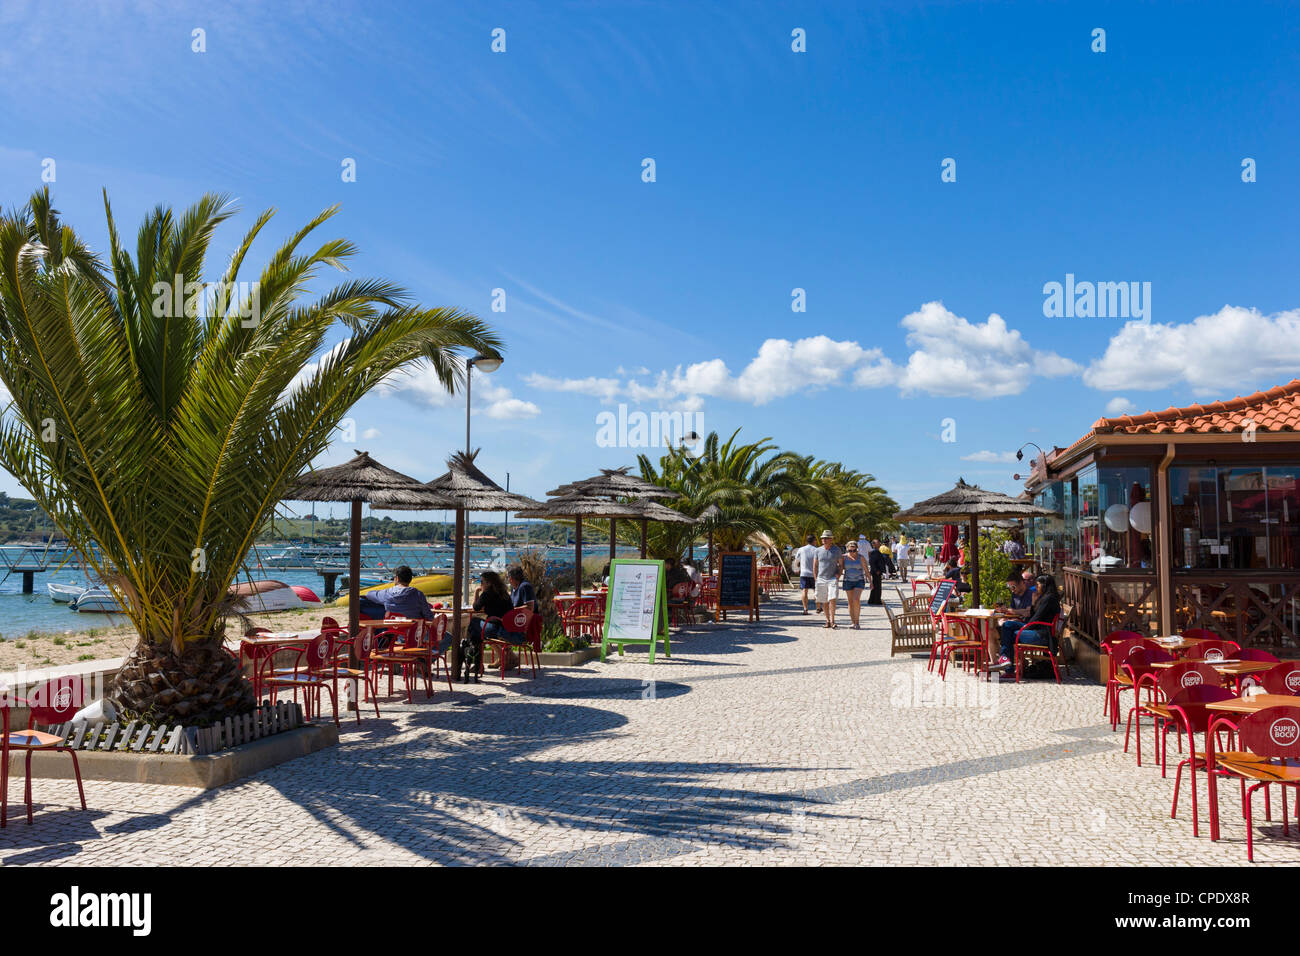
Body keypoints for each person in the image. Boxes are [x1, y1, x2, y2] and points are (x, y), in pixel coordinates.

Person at [989, 573, 1061, 680]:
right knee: (1007, 625)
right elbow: (1035, 615)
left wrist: (1023, 628)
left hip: (1042, 635)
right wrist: (1033, 604)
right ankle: (1005, 660)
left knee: (1009, 634)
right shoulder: (1044, 597)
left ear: (1044, 585)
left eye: (1038, 585)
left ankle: (1007, 667)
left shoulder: (1049, 599)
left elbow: (1036, 619)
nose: (1036, 588)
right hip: (1036, 629)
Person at [464, 570, 514, 682]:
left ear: (489, 583)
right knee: (477, 633)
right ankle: (481, 663)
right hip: (507, 627)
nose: (481, 584)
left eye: (482, 582)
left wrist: (477, 592)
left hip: (495, 628)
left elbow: (476, 607)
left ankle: (477, 663)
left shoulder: (487, 593)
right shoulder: (504, 593)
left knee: (473, 624)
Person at [366, 565, 434, 647]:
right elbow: (429, 616)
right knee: (447, 637)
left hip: (394, 636)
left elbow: (369, 594)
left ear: (397, 578)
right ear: (410, 579)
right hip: (416, 636)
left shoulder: (387, 593)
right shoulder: (418, 594)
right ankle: (426, 659)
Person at [986, 572, 1035, 673]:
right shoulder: (1014, 595)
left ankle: (1008, 663)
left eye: (1013, 586)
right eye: (1010, 587)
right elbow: (1013, 612)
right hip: (1013, 624)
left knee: (1006, 627)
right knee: (990, 632)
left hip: (1025, 626)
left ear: (1021, 583)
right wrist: (1005, 617)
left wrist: (1010, 612)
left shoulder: (1031, 595)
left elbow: (1028, 612)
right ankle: (996, 665)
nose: (1012, 590)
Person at [813, 530, 842, 628]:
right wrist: (816, 578)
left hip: (832, 578)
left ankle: (833, 620)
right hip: (821, 578)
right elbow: (815, 566)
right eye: (823, 538)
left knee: (832, 598)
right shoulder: (817, 550)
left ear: (831, 539)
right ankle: (827, 620)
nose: (823, 540)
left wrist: (839, 574)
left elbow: (841, 564)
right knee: (824, 600)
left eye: (826, 538)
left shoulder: (837, 550)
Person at [841, 539, 869, 628]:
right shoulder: (843, 557)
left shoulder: (861, 557)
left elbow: (866, 570)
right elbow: (840, 568)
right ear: (847, 550)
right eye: (850, 550)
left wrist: (871, 581)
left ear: (857, 549)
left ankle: (857, 622)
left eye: (854, 550)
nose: (852, 552)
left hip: (859, 580)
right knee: (850, 602)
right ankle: (853, 622)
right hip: (847, 581)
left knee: (856, 599)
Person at [791, 534, 819, 614]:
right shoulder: (817, 550)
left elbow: (796, 561)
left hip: (804, 573)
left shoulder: (801, 549)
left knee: (804, 591)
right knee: (816, 591)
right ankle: (818, 608)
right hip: (815, 574)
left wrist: (797, 569)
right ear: (814, 541)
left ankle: (805, 609)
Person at [866, 538, 887, 606]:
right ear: (873, 544)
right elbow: (872, 562)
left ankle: (873, 599)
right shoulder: (874, 552)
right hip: (876, 572)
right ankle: (876, 600)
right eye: (877, 543)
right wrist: (876, 570)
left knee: (876, 586)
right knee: (876, 586)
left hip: (878, 571)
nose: (879, 544)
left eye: (879, 542)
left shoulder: (877, 551)